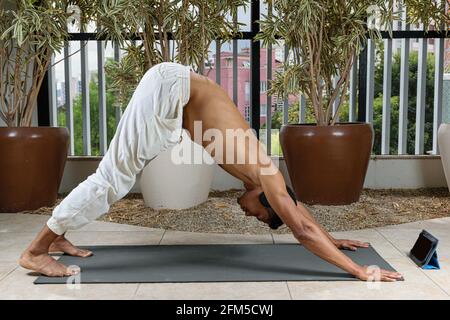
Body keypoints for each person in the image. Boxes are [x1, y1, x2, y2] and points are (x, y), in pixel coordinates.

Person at [19, 62, 403, 282]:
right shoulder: (265, 174)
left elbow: (297, 213)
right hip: (172, 89)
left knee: (114, 176)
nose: (247, 213)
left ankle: (56, 238)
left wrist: (333, 239)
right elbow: (299, 226)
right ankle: (36, 250)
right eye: (258, 214)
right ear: (266, 200)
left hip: (174, 93)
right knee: (112, 179)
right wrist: (358, 271)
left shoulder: (262, 177)